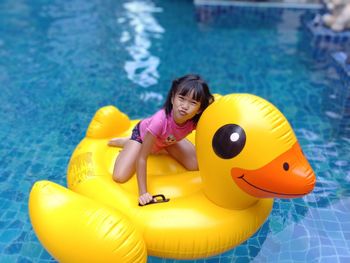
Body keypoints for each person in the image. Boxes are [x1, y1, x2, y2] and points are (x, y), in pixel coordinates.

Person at [108, 74, 214, 205]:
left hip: (167, 140)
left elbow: (213, 129)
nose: (185, 106)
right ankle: (128, 142)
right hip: (142, 137)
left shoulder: (194, 121)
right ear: (172, 98)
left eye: (193, 103)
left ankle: (160, 145)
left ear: (199, 109)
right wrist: (143, 193)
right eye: (181, 98)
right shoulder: (159, 121)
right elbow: (142, 158)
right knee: (119, 176)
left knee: (195, 165)